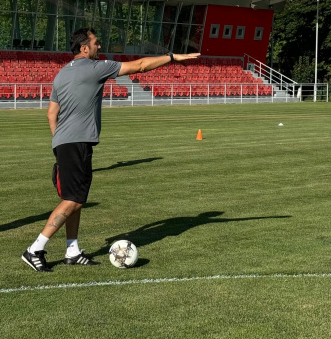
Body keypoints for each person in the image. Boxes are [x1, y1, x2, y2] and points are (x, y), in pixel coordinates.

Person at [22, 28, 199, 271]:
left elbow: (51, 113)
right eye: (95, 43)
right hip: (77, 142)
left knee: (75, 199)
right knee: (73, 200)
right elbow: (140, 65)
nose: (99, 47)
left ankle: (72, 250)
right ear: (84, 48)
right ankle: (35, 249)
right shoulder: (96, 67)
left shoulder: (61, 74)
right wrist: (171, 57)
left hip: (64, 142)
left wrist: (59, 141)